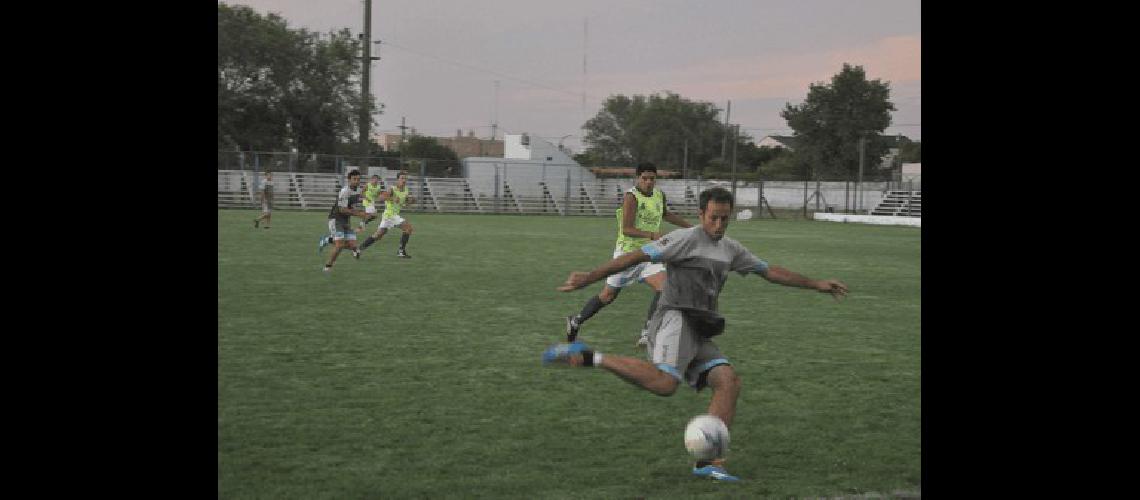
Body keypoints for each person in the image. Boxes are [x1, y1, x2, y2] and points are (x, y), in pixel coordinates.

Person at [543, 187, 849, 482]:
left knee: (728, 382)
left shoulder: (731, 249)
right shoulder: (683, 240)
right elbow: (634, 257)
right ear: (701, 214)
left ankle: (708, 463)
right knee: (665, 384)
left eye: (725, 218)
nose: (718, 225)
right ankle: (591, 357)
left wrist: (815, 284)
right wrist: (590, 276)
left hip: (700, 326)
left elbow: (768, 271)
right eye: (713, 217)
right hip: (674, 318)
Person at [564, 162, 692, 347]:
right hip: (626, 255)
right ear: (637, 178)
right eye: (644, 178)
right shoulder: (631, 197)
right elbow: (627, 229)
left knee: (664, 288)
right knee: (607, 296)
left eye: (652, 179)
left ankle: (647, 333)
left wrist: (692, 228)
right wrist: (653, 234)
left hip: (648, 254)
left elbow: (666, 214)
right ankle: (575, 321)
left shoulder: (658, 195)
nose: (648, 182)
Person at [359, 170, 416, 259]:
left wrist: (411, 201)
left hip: (389, 216)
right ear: (398, 179)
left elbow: (406, 201)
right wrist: (392, 199)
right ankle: (401, 252)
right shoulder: (392, 189)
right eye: (402, 178)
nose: (404, 180)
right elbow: (382, 197)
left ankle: (359, 249)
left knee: (378, 235)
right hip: (390, 215)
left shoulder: (406, 190)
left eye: (405, 178)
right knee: (408, 228)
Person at [317, 169, 367, 272]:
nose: (356, 181)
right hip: (336, 219)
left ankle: (328, 240)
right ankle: (328, 267)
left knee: (353, 245)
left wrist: (364, 213)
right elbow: (342, 209)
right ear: (349, 180)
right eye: (354, 179)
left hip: (346, 219)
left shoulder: (358, 190)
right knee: (339, 245)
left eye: (358, 179)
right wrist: (359, 214)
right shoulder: (345, 191)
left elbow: (352, 206)